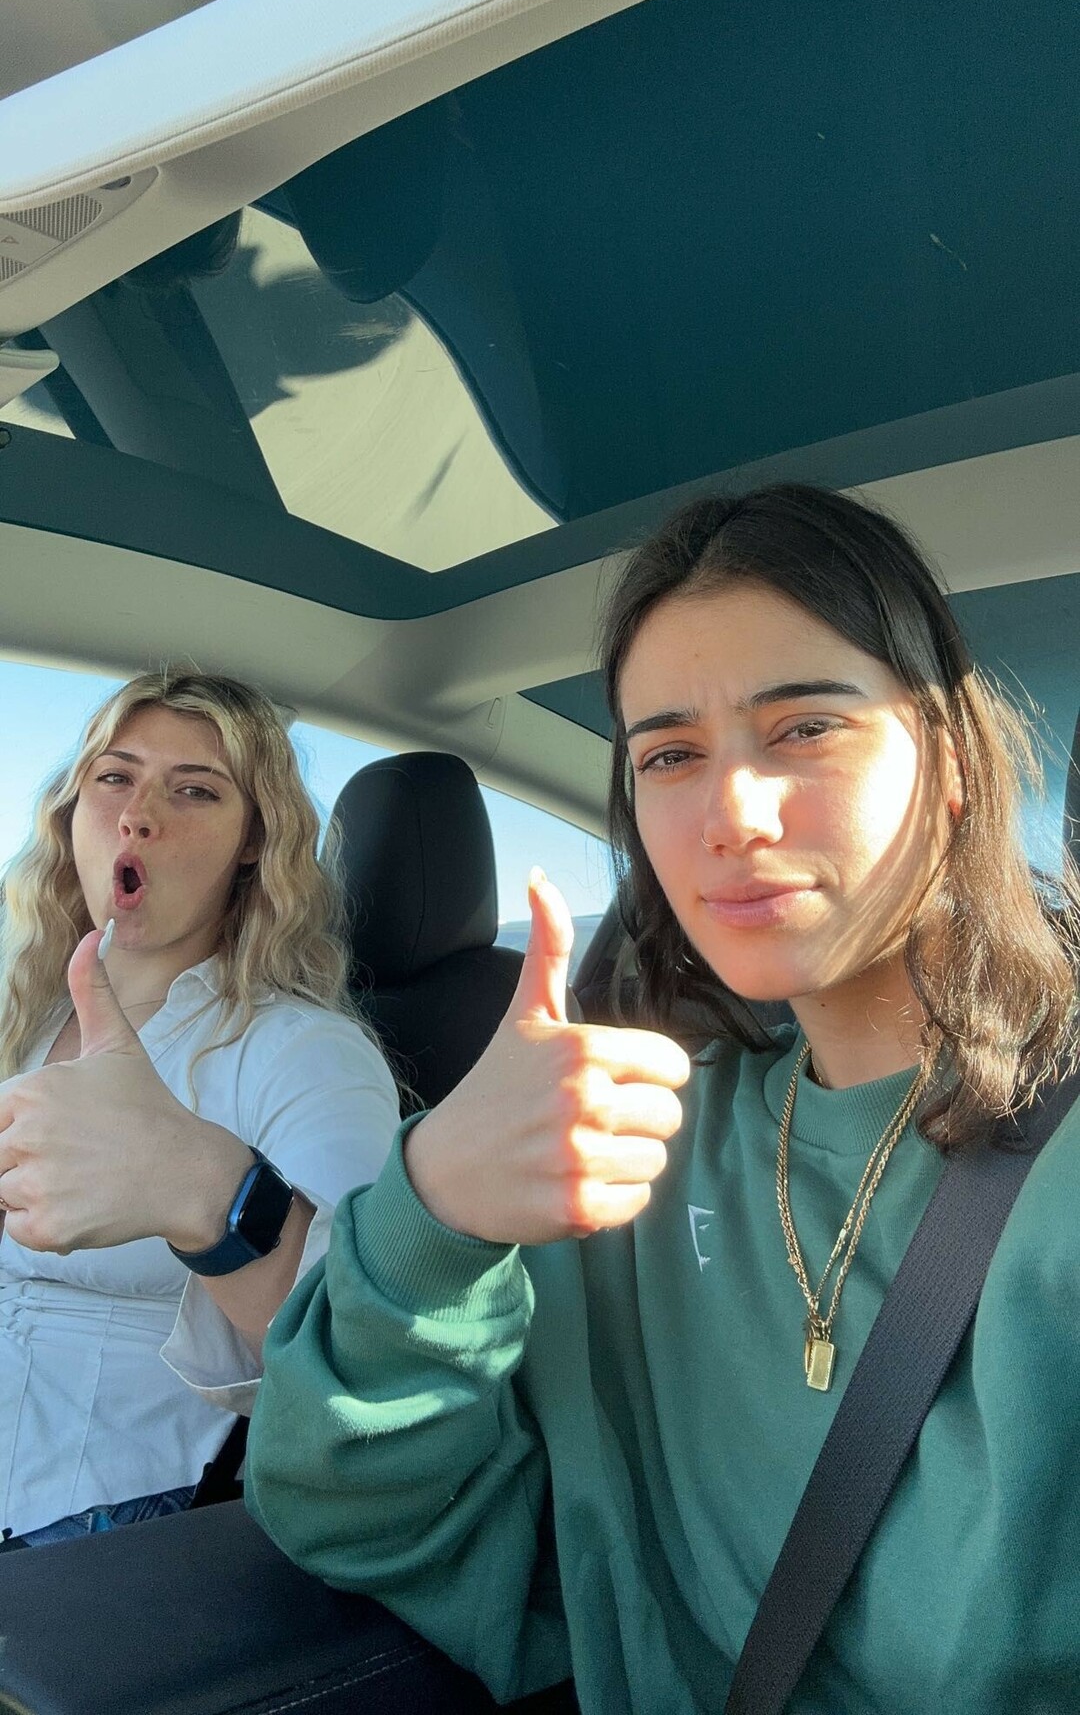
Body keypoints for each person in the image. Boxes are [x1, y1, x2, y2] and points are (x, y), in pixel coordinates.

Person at [245, 485, 1080, 1714]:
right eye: (671, 755)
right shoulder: (636, 1151)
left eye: (807, 728)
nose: (731, 815)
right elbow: (351, 1514)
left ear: (951, 764)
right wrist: (434, 1213)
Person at [0, 671, 400, 1549]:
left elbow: (368, 1360)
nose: (138, 816)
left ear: (253, 841)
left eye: (194, 791)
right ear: (71, 813)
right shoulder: (19, 1018)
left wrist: (205, 1193)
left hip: (115, 1517)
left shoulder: (303, 1053)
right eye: (115, 778)